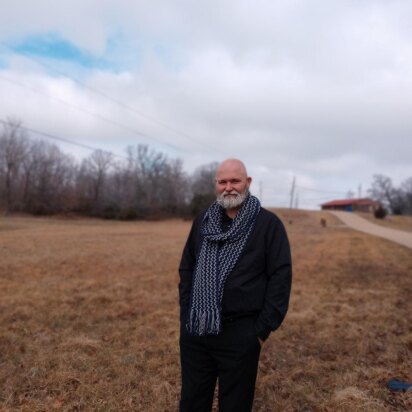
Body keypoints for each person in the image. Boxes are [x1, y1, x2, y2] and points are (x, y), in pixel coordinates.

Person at [178, 158, 292, 412]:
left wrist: (261, 331)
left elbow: (280, 277)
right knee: (192, 402)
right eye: (223, 182)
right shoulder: (203, 221)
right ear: (216, 184)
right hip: (197, 330)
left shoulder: (267, 225)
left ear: (247, 183)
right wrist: (186, 314)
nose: (229, 187)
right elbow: (187, 268)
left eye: (235, 181)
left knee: (235, 405)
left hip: (242, 334)